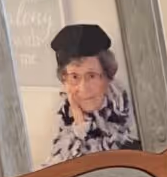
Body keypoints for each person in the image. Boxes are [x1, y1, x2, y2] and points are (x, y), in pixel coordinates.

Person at [46, 21, 140, 160]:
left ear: (107, 77)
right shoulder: (59, 129)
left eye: (91, 76)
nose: (84, 88)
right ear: (64, 81)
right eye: (74, 77)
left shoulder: (135, 126)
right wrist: (80, 125)